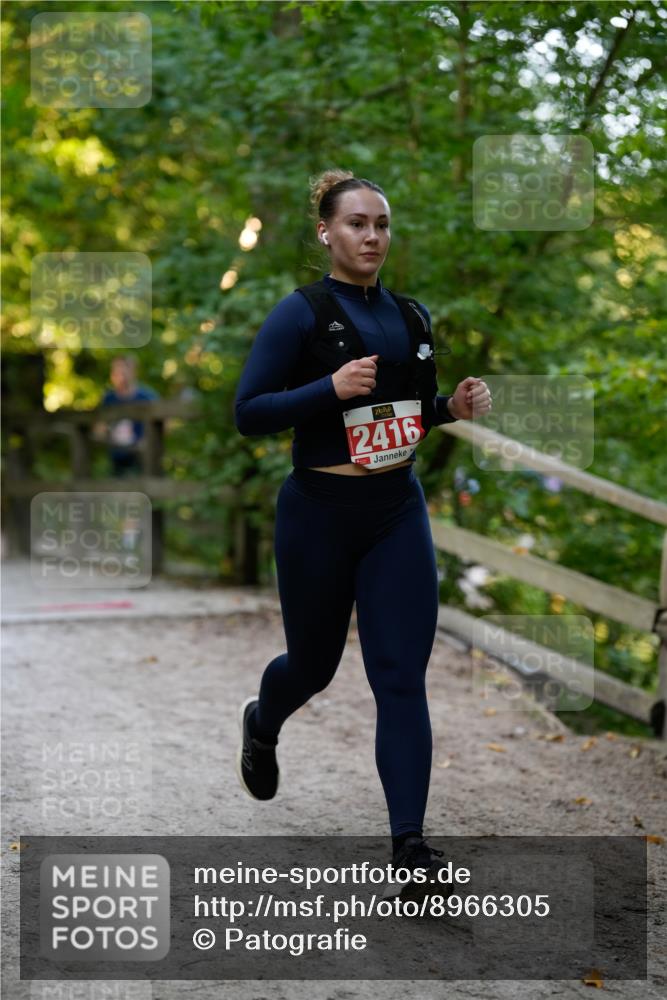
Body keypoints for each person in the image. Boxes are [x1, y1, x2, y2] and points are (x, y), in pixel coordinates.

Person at [233, 169, 492, 900]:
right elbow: (249, 411)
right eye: (356, 223)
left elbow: (406, 410)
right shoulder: (301, 314)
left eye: (380, 224)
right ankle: (263, 718)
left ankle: (409, 848)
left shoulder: (411, 316)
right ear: (326, 232)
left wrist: (451, 406)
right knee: (311, 668)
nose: (371, 236)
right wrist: (327, 388)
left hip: (394, 512)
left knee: (399, 677)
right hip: (317, 513)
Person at [92, 355, 159, 477]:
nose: (120, 375)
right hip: (117, 456)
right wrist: (104, 434)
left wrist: (147, 441)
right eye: (116, 371)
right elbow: (99, 430)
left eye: (124, 370)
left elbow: (164, 425)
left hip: (143, 459)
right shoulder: (108, 399)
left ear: (133, 372)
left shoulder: (147, 397)